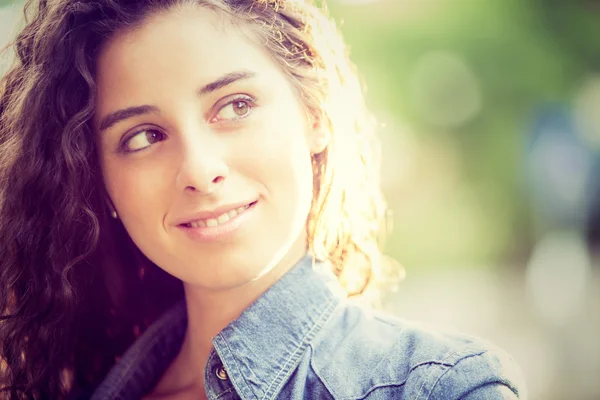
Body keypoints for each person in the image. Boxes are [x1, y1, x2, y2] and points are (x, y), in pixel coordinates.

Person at [0, 0, 526, 399]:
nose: (200, 171)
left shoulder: (445, 388)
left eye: (236, 105)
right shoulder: (77, 385)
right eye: (143, 137)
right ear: (102, 183)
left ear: (314, 115)